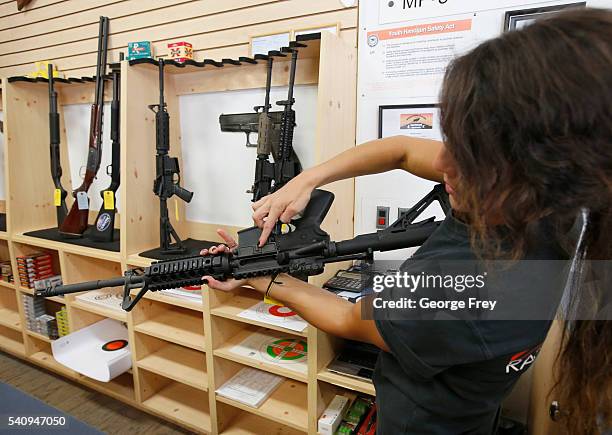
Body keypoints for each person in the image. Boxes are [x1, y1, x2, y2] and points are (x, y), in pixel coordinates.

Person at [203, 8, 612, 434]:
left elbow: (347, 317)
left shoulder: (473, 292)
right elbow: (399, 149)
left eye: (469, 155)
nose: (441, 162)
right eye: (454, 140)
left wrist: (255, 276)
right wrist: (307, 179)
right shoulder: (549, 204)